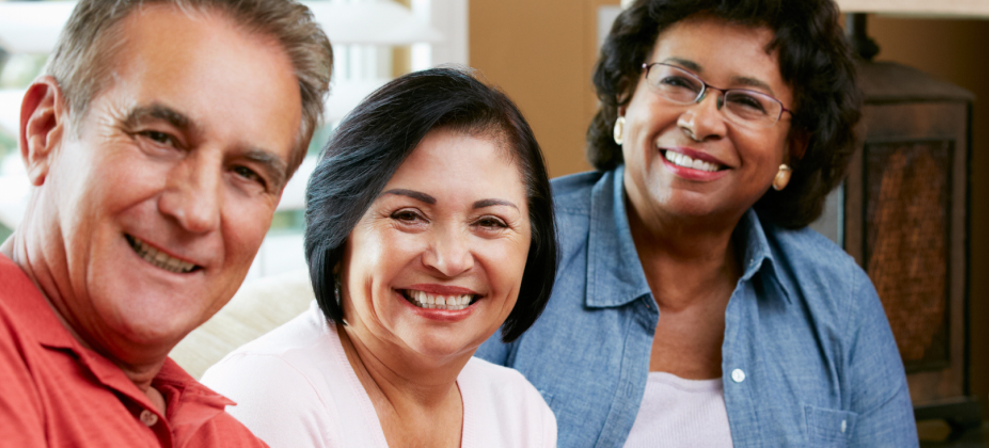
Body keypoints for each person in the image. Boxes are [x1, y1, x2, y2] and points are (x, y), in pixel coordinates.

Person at [475, 0, 917, 446]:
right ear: (626, 94)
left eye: (748, 101)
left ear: (795, 146)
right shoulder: (517, 249)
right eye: (677, 81)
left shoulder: (840, 299)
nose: (700, 121)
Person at [0, 0, 330, 445]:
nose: (195, 212)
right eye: (159, 138)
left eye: (246, 173)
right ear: (46, 131)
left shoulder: (227, 436)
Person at [202, 67, 560, 448]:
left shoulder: (519, 411)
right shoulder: (267, 394)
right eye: (408, 216)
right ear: (338, 234)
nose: (450, 261)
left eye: (489, 222)